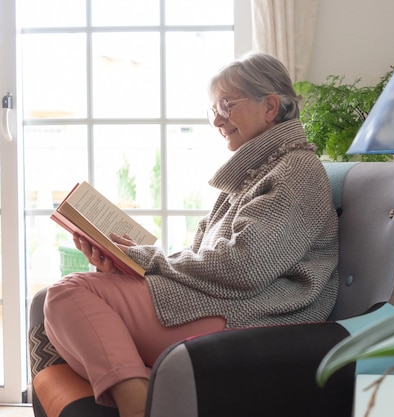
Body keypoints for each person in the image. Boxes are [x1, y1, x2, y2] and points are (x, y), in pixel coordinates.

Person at [44, 52, 340, 417]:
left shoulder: (297, 170)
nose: (217, 119)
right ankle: (155, 394)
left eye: (226, 105)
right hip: (223, 301)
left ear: (270, 106)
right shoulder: (253, 174)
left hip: (255, 315)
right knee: (56, 298)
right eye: (213, 109)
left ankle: (138, 407)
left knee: (67, 293)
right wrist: (129, 260)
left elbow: (246, 266)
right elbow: (208, 254)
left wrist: (150, 260)